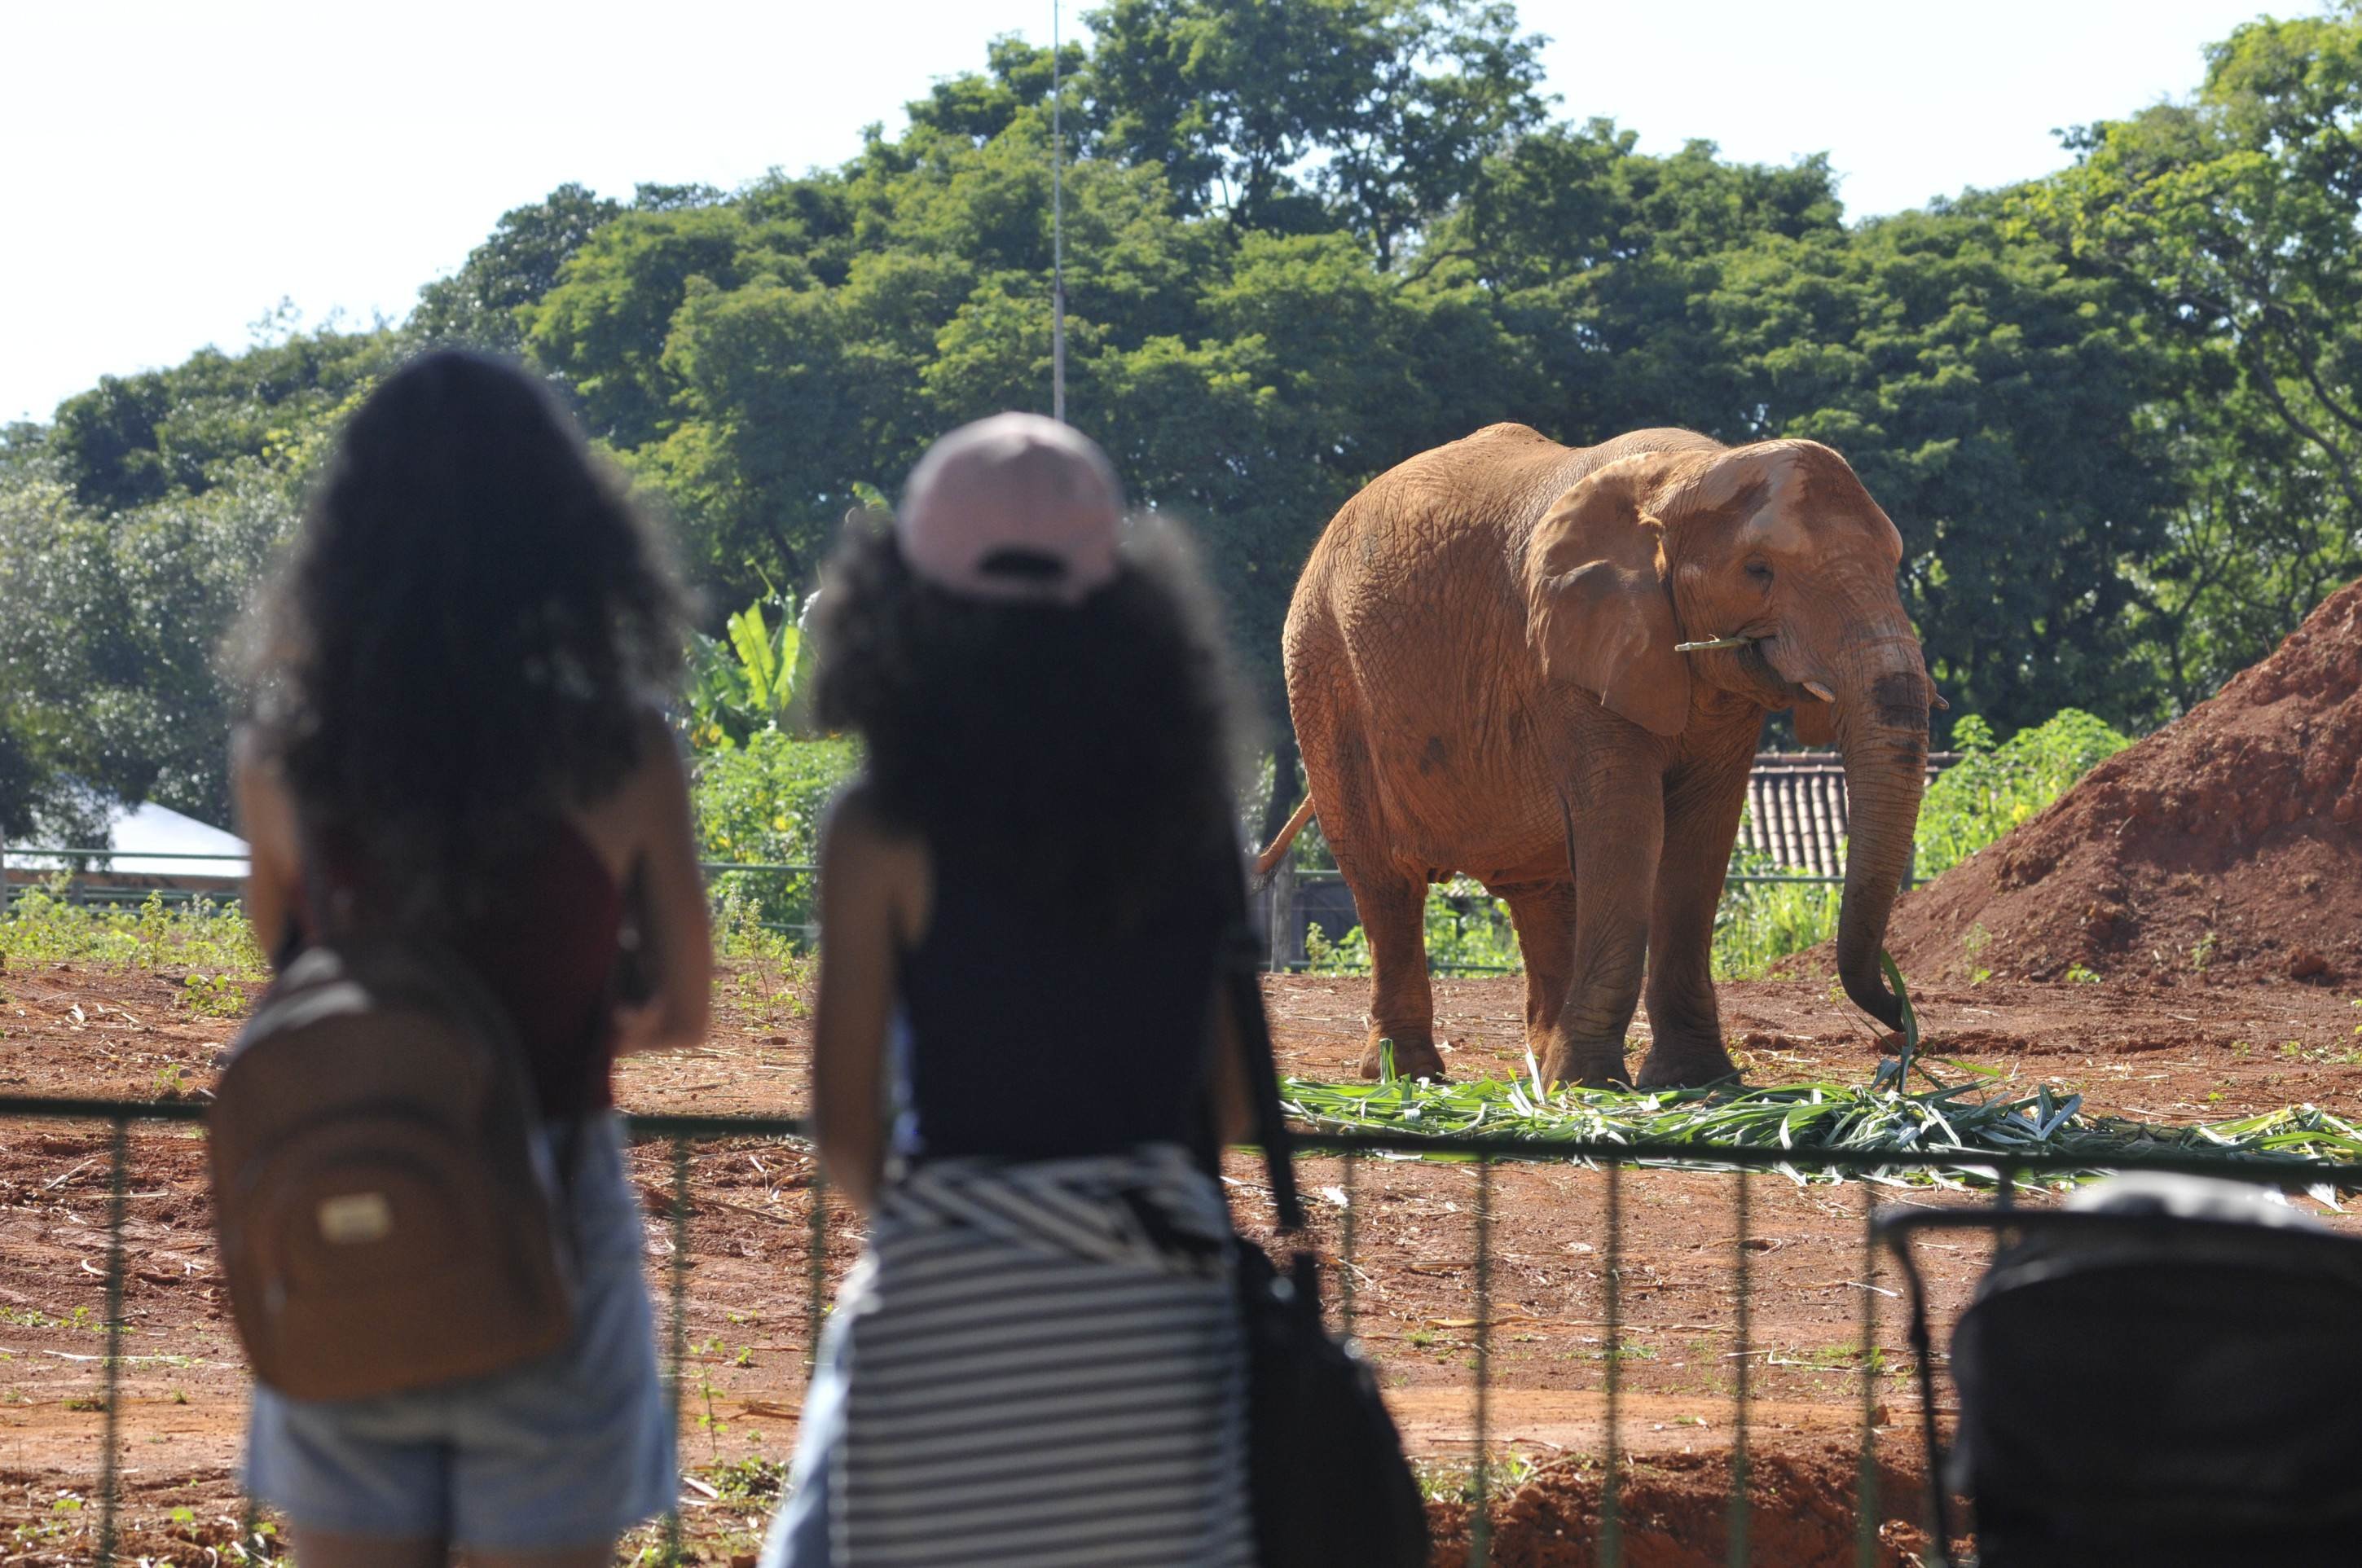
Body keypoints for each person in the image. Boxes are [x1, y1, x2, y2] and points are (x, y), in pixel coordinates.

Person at [230, 349, 711, 1568]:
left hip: (349, 1201)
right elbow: (683, 1009)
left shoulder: (285, 759)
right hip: (548, 1210)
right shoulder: (623, 751)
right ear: (564, 532)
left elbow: (292, 964)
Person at [762, 413, 1260, 1567]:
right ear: (1125, 602)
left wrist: (960, 1227)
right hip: (1163, 1317)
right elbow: (1231, 1102)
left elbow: (846, 1128)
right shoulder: (1192, 819)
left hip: (945, 1312)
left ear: (906, 599)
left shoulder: (880, 825)